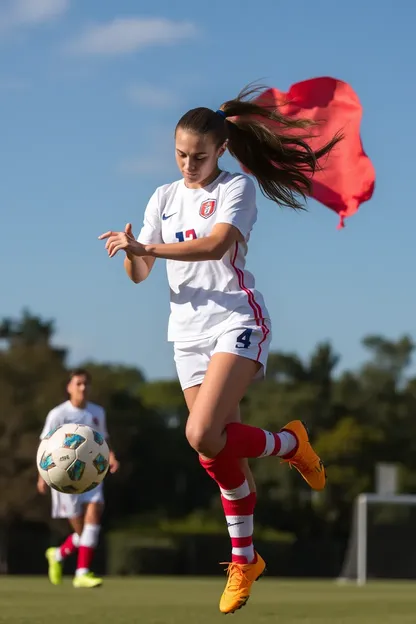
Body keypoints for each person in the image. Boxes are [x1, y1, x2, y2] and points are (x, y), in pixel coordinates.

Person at [99, 85, 341, 613]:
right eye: (181, 154)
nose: (189, 164)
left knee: (201, 433)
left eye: (200, 156)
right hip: (185, 335)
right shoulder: (162, 197)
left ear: (222, 151)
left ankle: (287, 445)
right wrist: (130, 252)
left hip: (236, 319)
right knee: (216, 448)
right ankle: (246, 558)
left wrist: (149, 247)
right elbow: (142, 273)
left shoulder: (238, 190)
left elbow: (214, 245)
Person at [37, 368, 119, 588]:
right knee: (81, 531)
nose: (83, 388)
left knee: (95, 513)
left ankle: (82, 572)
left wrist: (111, 457)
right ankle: (58, 555)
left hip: (92, 473)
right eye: (78, 384)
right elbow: (45, 446)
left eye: (86, 384)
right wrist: (41, 476)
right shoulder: (58, 414)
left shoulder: (97, 412)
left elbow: (102, 440)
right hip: (63, 477)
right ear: (69, 387)